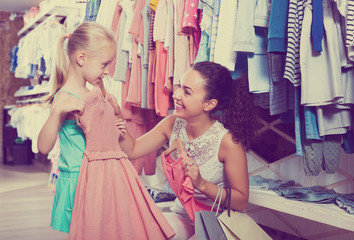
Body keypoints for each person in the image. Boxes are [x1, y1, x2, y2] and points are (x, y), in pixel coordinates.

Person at [38, 22, 175, 240]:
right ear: (82, 58)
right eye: (104, 65)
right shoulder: (64, 97)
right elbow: (43, 147)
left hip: (102, 178)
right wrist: (56, 113)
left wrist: (117, 120)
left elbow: (105, 135)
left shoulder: (96, 92)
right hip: (78, 181)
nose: (106, 72)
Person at [118, 61, 258, 239]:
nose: (176, 95)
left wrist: (202, 184)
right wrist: (116, 118)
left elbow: (241, 201)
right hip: (182, 215)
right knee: (147, 232)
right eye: (179, 87)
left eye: (186, 91)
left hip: (216, 221)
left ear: (209, 104)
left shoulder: (228, 142)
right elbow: (133, 150)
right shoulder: (172, 124)